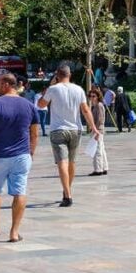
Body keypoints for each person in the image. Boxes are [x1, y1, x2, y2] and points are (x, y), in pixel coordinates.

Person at [0, 71, 39, 242]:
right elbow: (34, 134)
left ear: (6, 84)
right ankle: (14, 232)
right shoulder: (29, 106)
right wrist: (31, 153)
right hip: (22, 156)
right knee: (20, 192)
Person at [37, 64, 99, 207]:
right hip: (75, 129)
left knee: (62, 163)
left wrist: (50, 85)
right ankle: (67, 191)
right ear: (69, 75)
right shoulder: (78, 89)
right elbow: (85, 110)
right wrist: (94, 127)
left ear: (57, 76)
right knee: (72, 162)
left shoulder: (53, 89)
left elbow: (41, 104)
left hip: (58, 129)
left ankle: (67, 195)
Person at [86, 86, 108, 177]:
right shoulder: (96, 105)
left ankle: (98, 169)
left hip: (98, 130)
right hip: (98, 129)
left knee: (97, 150)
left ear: (98, 96)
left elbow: (100, 119)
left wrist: (96, 131)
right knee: (101, 149)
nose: (92, 98)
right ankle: (104, 167)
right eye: (90, 96)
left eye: (94, 96)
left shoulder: (99, 105)